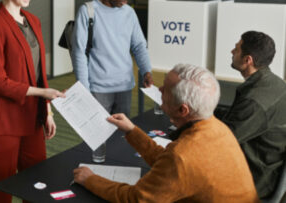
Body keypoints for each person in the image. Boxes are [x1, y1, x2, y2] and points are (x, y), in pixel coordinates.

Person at [73, 64, 259, 202]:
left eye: (166, 89)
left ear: (183, 110)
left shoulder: (182, 156)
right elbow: (170, 163)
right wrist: (132, 130)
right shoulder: (218, 128)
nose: (159, 90)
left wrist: (90, 179)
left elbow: (136, 199)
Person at [0, 0, 65, 203]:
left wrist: (46, 111)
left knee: (37, 184)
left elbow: (39, 74)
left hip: (32, 117)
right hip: (4, 121)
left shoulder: (33, 21)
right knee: (1, 190)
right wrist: (42, 95)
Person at [71, 0, 153, 119]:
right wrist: (83, 88)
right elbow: (79, 52)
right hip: (98, 88)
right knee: (97, 136)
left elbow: (139, 45)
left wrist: (146, 70)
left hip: (125, 87)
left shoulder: (129, 13)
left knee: (121, 136)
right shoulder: (88, 11)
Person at [222, 31, 286, 199]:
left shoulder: (254, 102)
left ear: (247, 60)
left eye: (236, 49)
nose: (231, 52)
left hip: (254, 178)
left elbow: (221, 142)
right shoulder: (276, 83)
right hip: (267, 166)